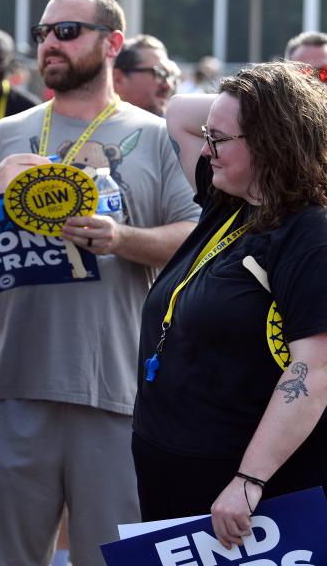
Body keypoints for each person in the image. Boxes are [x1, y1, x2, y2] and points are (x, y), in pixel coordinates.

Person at [0, 0, 200, 566]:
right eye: (42, 33)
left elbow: (194, 237)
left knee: (110, 559)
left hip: (116, 394)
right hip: (13, 387)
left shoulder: (157, 137)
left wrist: (123, 239)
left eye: (67, 31)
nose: (49, 45)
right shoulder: (4, 136)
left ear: (112, 43)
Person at [137, 62, 327, 548]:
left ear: (268, 143)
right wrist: (265, 94)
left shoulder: (309, 233)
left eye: (217, 139)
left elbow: (315, 370)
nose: (204, 150)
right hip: (174, 474)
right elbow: (178, 110)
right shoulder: (231, 199)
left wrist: (249, 480)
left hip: (241, 493)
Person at [113, 34, 178, 117]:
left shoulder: (171, 128)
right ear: (118, 78)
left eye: (169, 76)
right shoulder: (97, 126)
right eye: (159, 73)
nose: (168, 86)